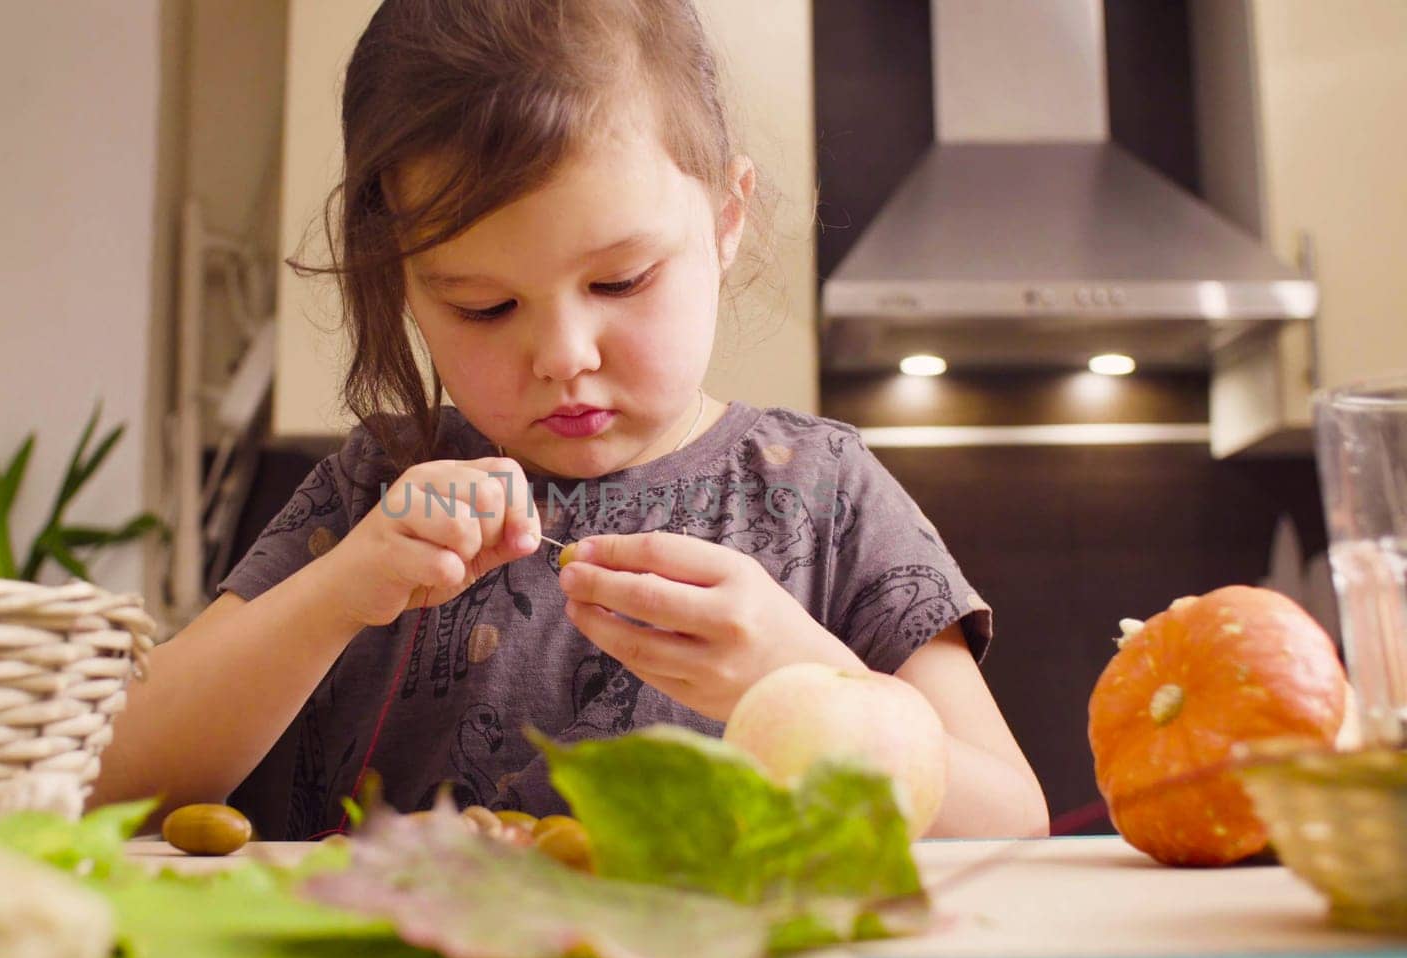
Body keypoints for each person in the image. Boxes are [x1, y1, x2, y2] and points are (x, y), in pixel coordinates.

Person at [91, 0, 1048, 840]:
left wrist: (801, 680)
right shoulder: (373, 491)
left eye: (620, 280)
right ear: (406, 289)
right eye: (483, 306)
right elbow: (106, 782)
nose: (564, 355)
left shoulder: (824, 494)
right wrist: (338, 592)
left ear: (726, 216)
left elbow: (1010, 821)